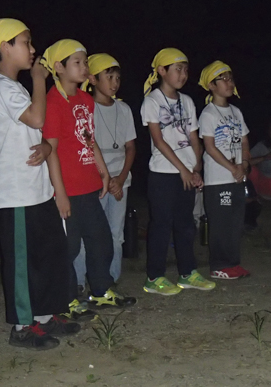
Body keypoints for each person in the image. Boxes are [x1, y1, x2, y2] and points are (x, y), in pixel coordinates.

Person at [0, 19, 79, 350]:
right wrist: (38, 80)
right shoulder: (0, 87)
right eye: (26, 42)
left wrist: (47, 147)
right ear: (6, 46)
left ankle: (46, 316)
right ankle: (21, 327)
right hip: (15, 191)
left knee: (49, 253)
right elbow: (36, 118)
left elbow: (36, 130)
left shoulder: (15, 88)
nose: (33, 50)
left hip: (38, 189)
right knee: (23, 262)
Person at [40, 40, 136, 318]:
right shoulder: (53, 102)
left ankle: (101, 290)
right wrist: (60, 193)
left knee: (102, 240)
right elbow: (51, 150)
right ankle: (66, 299)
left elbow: (89, 140)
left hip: (90, 185)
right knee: (68, 248)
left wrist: (104, 173)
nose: (84, 67)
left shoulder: (85, 101)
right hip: (67, 189)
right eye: (78, 63)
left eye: (85, 62)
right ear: (59, 67)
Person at [140, 48, 216, 295]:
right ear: (162, 71)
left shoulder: (187, 101)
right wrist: (183, 169)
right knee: (161, 225)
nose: (183, 74)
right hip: (163, 173)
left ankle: (188, 273)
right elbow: (159, 140)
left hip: (186, 171)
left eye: (185, 69)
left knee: (186, 224)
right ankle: (154, 277)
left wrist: (197, 166)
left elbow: (194, 136)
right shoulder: (152, 101)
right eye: (177, 69)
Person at [73, 54, 136, 288]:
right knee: (85, 236)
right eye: (108, 77)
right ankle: (79, 282)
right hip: (93, 182)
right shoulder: (85, 107)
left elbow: (130, 147)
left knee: (115, 234)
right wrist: (106, 180)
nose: (114, 83)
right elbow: (86, 146)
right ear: (93, 78)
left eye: (117, 77)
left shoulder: (124, 109)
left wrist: (119, 179)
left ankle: (111, 280)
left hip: (120, 180)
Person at [198, 61, 251, 279]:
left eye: (230, 78)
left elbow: (245, 141)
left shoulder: (236, 112)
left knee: (236, 221)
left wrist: (244, 165)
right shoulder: (208, 114)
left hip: (237, 178)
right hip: (218, 180)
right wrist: (232, 168)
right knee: (221, 223)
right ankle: (219, 265)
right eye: (223, 79)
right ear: (211, 85)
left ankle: (233, 262)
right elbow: (209, 147)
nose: (229, 83)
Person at [249, 118, 271, 200]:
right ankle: (253, 198)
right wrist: (263, 158)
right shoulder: (262, 146)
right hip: (265, 185)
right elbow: (245, 162)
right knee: (251, 170)